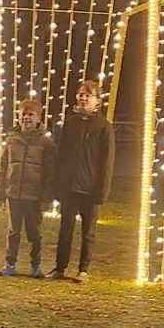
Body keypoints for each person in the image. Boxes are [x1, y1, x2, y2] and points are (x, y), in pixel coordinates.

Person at [49, 77, 115, 283]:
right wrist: (58, 184)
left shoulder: (104, 127)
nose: (84, 98)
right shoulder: (70, 123)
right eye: (81, 94)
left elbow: (107, 161)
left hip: (90, 187)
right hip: (70, 186)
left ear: (97, 101)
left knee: (88, 232)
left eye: (88, 95)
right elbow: (61, 155)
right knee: (65, 229)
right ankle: (60, 268)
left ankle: (83, 270)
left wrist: (101, 190)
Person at [0, 96, 55, 277]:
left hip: (34, 196)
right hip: (14, 193)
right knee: (13, 232)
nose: (26, 118)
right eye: (23, 114)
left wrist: (46, 197)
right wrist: (1, 193)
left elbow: (50, 173)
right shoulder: (12, 140)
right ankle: (10, 264)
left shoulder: (46, 143)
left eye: (31, 114)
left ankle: (36, 266)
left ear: (38, 118)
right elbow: (3, 167)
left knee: (34, 232)